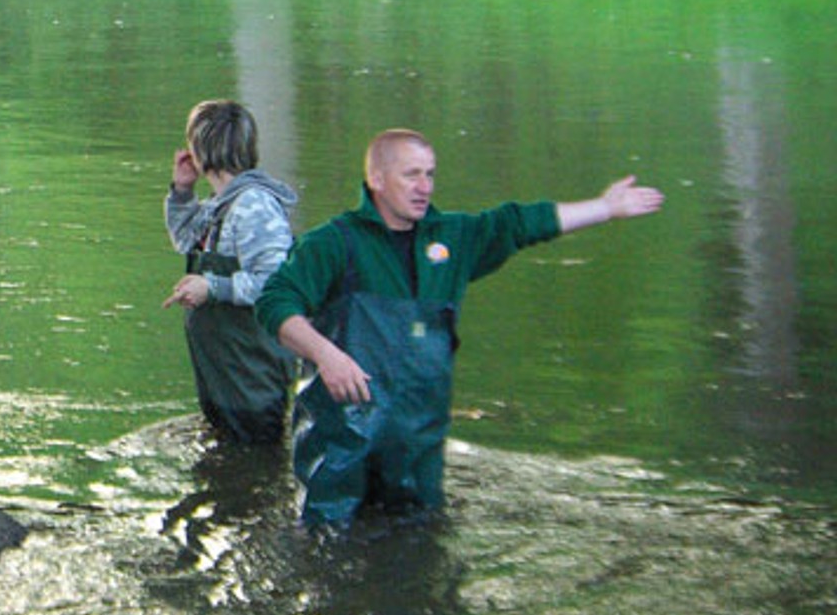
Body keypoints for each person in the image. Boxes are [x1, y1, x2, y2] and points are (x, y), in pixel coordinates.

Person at [255, 129, 665, 527]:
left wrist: (606, 208)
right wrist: (326, 355)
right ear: (377, 179)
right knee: (327, 551)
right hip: (343, 446)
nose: (424, 186)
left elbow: (518, 224)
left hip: (418, 448)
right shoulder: (333, 242)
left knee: (424, 548)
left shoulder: (454, 239)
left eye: (430, 174)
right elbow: (275, 303)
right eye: (411, 174)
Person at [161, 100, 299, 446]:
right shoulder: (219, 204)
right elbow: (184, 239)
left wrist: (212, 287)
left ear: (201, 148)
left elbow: (275, 283)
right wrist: (182, 192)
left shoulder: (253, 205)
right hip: (225, 373)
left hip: (253, 375)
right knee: (229, 456)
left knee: (258, 456)